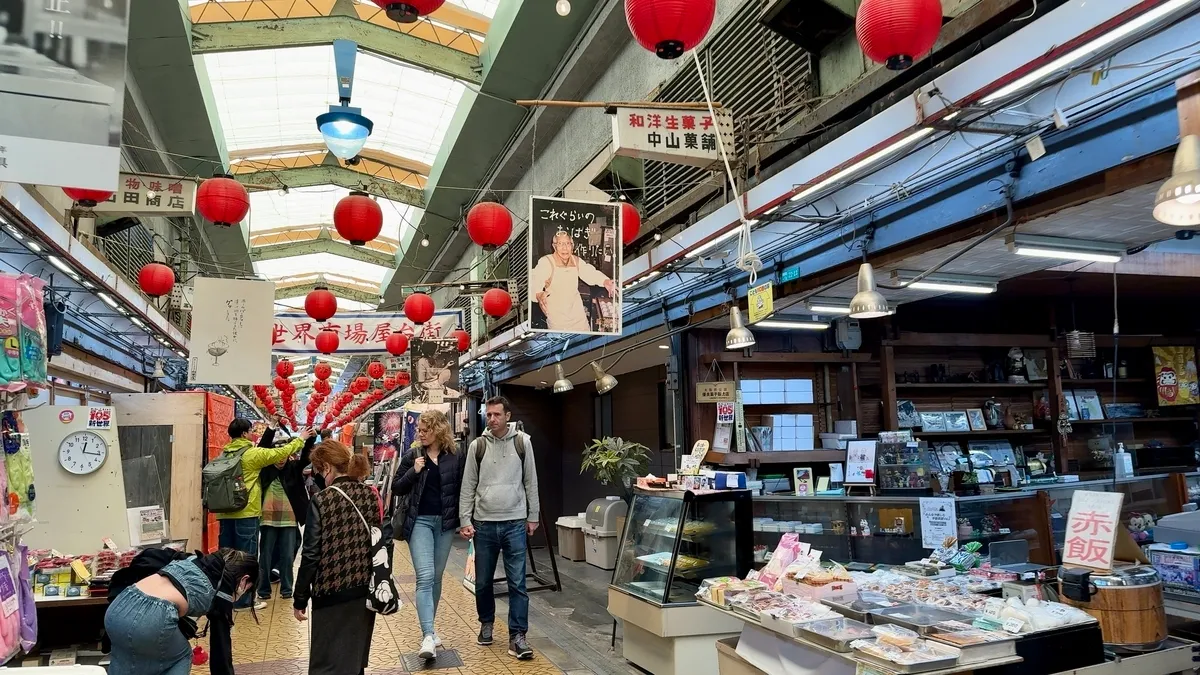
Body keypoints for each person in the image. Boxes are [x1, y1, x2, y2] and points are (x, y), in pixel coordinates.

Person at [459, 396, 539, 660]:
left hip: (515, 522)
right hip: (483, 524)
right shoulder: (477, 446)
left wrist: (533, 516)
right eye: (488, 415)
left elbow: (531, 482)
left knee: (518, 583)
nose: (491, 419)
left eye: (496, 414)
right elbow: (468, 485)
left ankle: (518, 636)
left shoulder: (522, 443)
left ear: (508, 415)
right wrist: (465, 520)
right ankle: (487, 622)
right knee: (483, 582)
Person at [294, 440, 380, 675]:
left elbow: (311, 554)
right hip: (364, 589)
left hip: (330, 592)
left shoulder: (321, 500)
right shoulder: (370, 495)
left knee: (326, 665)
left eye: (319, 471)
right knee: (354, 661)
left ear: (327, 468)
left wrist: (300, 597)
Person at [105, 548, 259, 675]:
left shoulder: (191, 559)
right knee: (182, 656)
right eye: (247, 590)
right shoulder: (222, 592)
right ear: (244, 580)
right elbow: (221, 651)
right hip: (150, 619)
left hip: (119, 606)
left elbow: (148, 556)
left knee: (126, 660)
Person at [392, 410, 467, 660]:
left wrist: (465, 520)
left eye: (425, 430)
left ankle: (430, 630)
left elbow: (462, 489)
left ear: (438, 430)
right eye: (419, 430)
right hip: (420, 522)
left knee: (436, 577)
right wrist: (413, 471)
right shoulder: (413, 455)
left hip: (444, 524)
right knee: (424, 577)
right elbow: (396, 487)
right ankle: (427, 634)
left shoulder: (454, 456)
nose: (420, 434)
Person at [215, 418, 312, 611]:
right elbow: (279, 451)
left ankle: (226, 598)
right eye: (250, 430)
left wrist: (273, 428)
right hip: (247, 513)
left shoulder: (224, 453)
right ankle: (244, 600)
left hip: (226, 513)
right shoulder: (253, 455)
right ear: (244, 434)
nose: (252, 433)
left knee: (228, 558)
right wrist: (301, 438)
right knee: (249, 558)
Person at [255, 422, 317, 601]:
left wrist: (310, 436)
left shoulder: (294, 467)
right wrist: (271, 428)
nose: (281, 459)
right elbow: (262, 448)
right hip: (267, 518)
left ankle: (287, 589)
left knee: (288, 555)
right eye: (277, 454)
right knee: (265, 556)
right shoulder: (265, 468)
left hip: (289, 519)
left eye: (285, 454)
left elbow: (306, 456)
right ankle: (263, 590)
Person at [530, 230, 615, 332]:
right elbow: (535, 279)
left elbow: (589, 272)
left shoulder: (576, 260)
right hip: (557, 318)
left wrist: (605, 281)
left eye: (567, 244)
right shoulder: (546, 262)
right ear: (554, 246)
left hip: (578, 316)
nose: (564, 248)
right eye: (560, 244)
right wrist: (538, 294)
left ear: (572, 245)